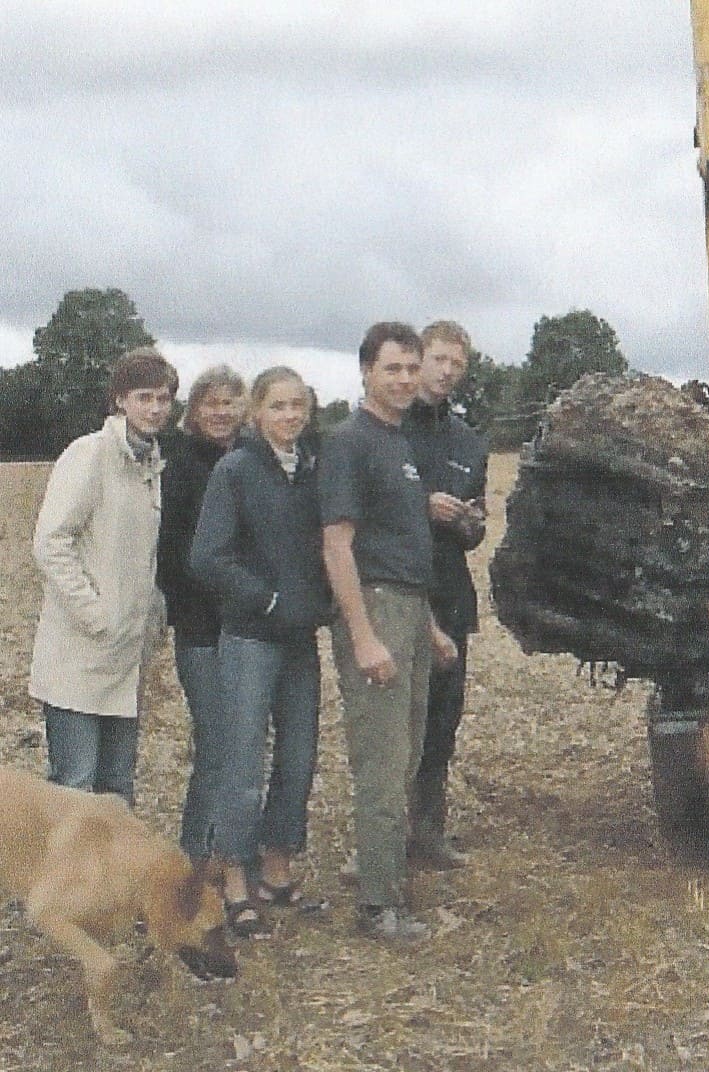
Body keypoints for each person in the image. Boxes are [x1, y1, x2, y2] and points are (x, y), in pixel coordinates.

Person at [320, 322, 456, 943]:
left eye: (411, 369)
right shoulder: (349, 442)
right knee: (380, 767)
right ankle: (378, 907)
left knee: (405, 760)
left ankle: (388, 881)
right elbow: (339, 545)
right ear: (366, 373)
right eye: (392, 370)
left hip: (406, 611)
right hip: (373, 613)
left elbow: (401, 549)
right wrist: (364, 636)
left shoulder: (397, 444)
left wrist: (427, 629)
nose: (404, 380)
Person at [191, 367, 330, 937]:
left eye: (298, 405)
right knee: (242, 762)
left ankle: (277, 870)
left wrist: (320, 603)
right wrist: (267, 600)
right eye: (278, 406)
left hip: (300, 641)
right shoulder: (237, 470)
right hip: (251, 637)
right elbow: (208, 557)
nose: (290, 416)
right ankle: (234, 883)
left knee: (297, 758)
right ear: (257, 413)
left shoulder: (313, 471)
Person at [29, 347, 179, 804]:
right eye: (144, 396)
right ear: (119, 400)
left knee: (116, 794)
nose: (155, 408)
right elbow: (51, 543)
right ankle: (67, 880)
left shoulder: (151, 464)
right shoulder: (89, 454)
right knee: (74, 791)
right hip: (78, 656)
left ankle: (113, 880)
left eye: (164, 398)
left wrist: (148, 618)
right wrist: (96, 615)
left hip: (123, 659)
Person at [402, 320, 488, 869]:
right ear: (419, 358)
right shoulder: (388, 428)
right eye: (438, 359)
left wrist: (470, 523)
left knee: (441, 721)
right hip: (398, 593)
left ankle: (429, 833)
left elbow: (476, 526)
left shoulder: (468, 442)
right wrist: (421, 507)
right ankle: (384, 840)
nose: (447, 371)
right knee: (396, 726)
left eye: (457, 363)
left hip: (451, 594)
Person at [157, 365, 247, 861]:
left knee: (242, 745)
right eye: (210, 404)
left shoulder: (251, 461)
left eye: (230, 402)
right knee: (216, 744)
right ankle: (195, 854)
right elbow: (172, 556)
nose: (220, 412)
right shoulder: (181, 467)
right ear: (193, 412)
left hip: (248, 629)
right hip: (201, 630)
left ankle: (230, 854)